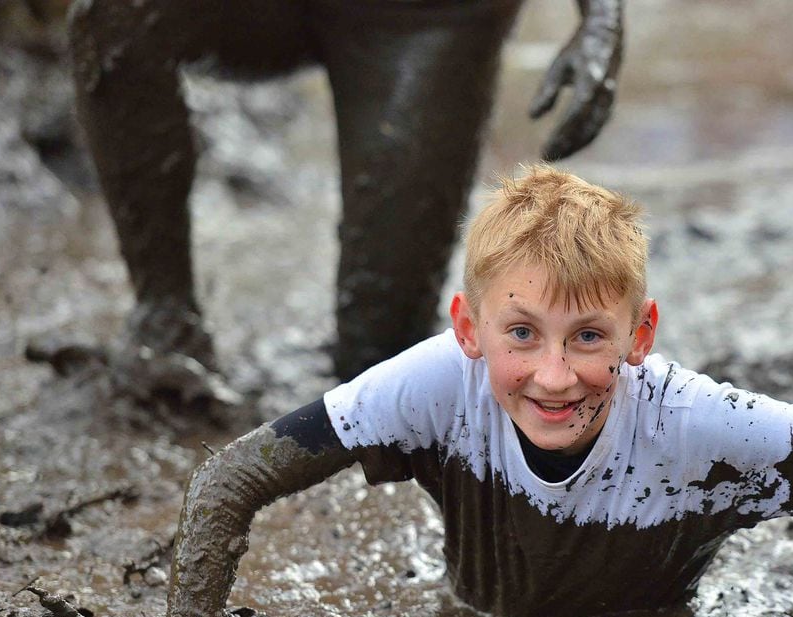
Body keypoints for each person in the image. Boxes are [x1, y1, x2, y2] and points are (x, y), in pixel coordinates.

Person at [167, 165, 793, 617]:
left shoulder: (702, 421)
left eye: (589, 336)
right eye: (521, 334)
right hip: (475, 612)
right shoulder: (431, 384)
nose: (555, 376)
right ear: (468, 327)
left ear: (640, 333)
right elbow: (228, 477)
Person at [66, 0, 624, 382]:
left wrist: (601, 15)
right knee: (116, 14)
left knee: (380, 357)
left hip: (423, 17)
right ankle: (164, 321)